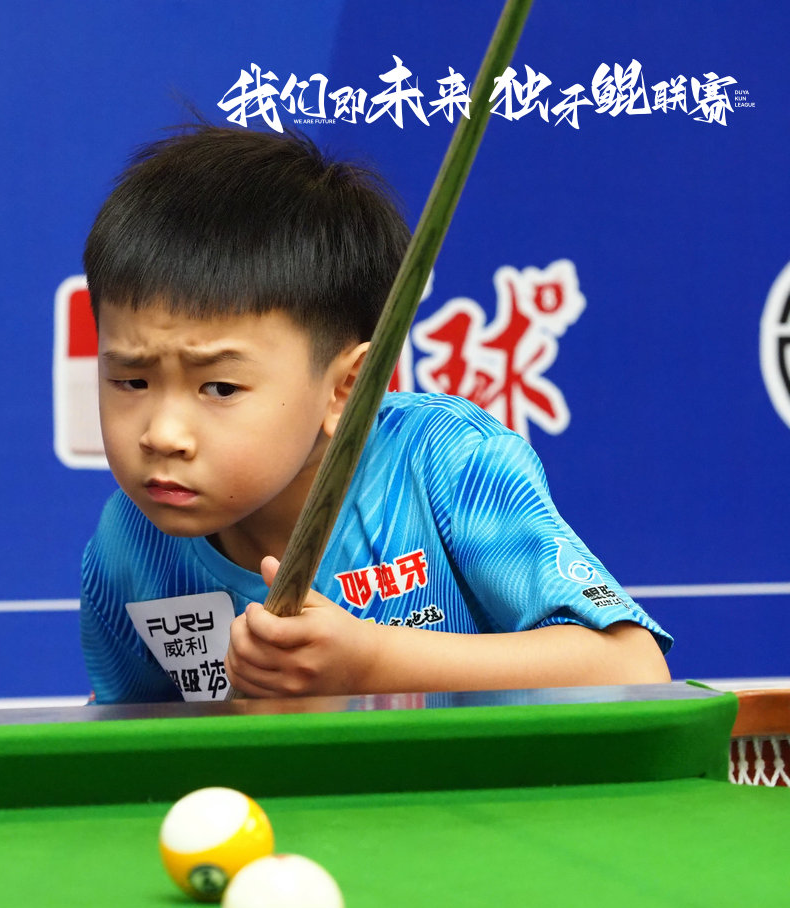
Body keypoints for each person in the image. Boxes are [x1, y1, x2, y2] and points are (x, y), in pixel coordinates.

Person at [79, 124, 671, 703]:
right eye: (132, 380)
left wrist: (370, 662)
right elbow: (130, 735)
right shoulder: (128, 545)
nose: (163, 435)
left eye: (220, 387)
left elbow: (632, 668)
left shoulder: (447, 462)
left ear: (348, 388)